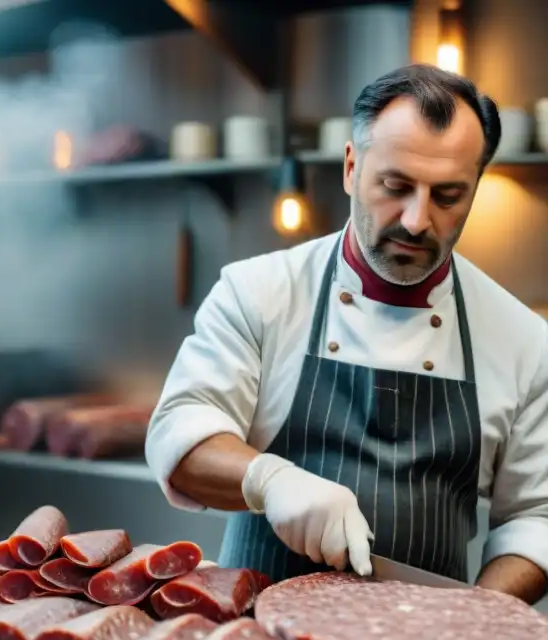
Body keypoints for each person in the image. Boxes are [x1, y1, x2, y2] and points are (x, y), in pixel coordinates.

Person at [145, 64, 548, 605]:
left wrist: (476, 619)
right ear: (352, 168)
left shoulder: (523, 339)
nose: (415, 219)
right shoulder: (260, 292)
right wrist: (270, 480)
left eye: (448, 196)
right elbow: (179, 433)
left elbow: (536, 516)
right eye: (395, 186)